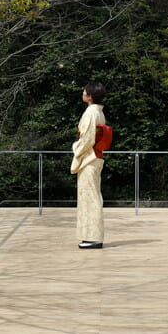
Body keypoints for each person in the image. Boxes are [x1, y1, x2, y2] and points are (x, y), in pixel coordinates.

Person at [70, 82, 107, 249]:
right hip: (95, 156)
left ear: (90, 95)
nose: (83, 92)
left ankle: (93, 237)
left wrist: (76, 148)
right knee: (92, 195)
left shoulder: (90, 113)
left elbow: (87, 138)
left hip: (89, 158)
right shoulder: (98, 113)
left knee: (90, 197)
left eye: (85, 91)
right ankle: (91, 236)